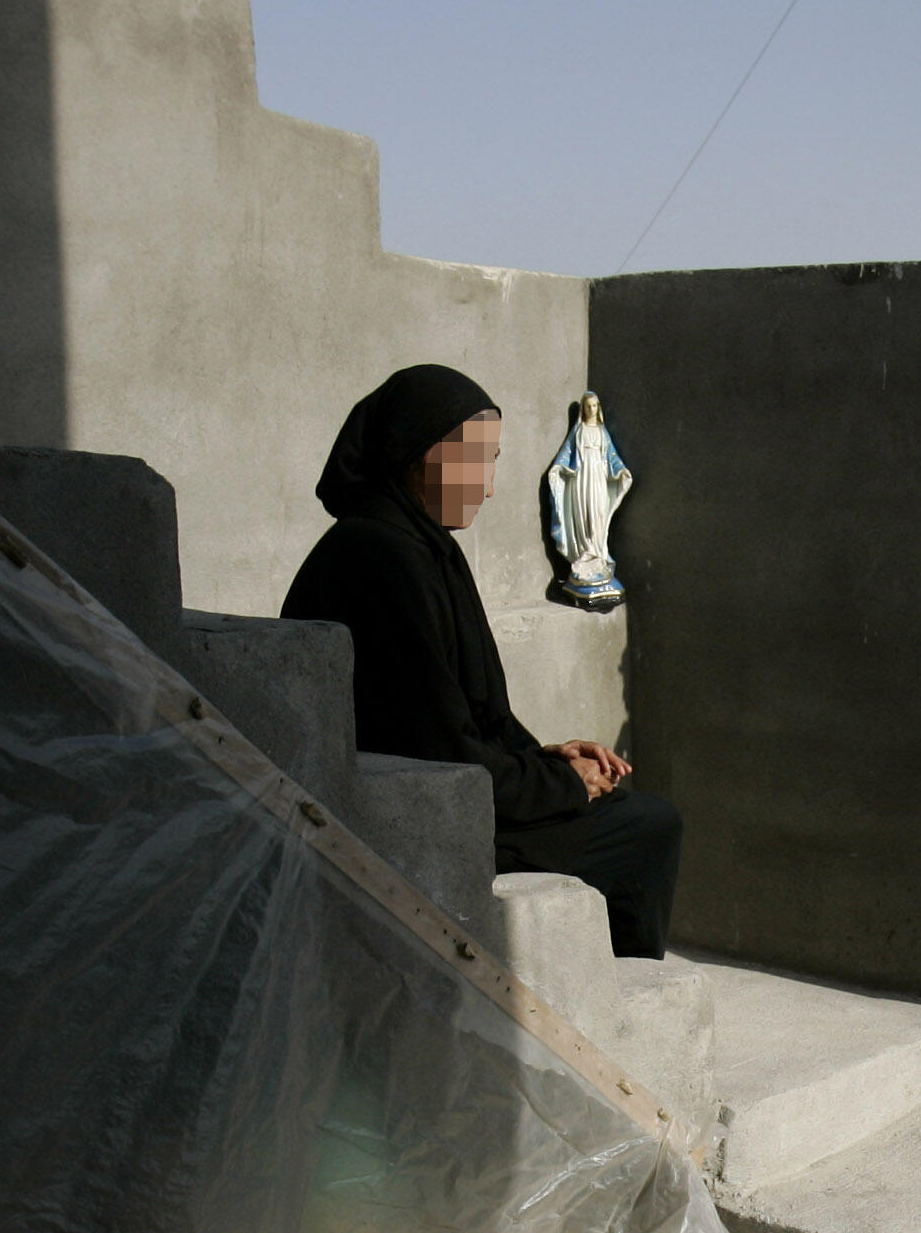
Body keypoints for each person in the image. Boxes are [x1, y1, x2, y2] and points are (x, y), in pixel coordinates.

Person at [282, 364, 684, 957]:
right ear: (418, 456)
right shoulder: (379, 559)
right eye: (476, 460)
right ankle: (615, 995)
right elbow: (435, 749)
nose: (489, 487)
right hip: (409, 820)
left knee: (627, 808)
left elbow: (473, 713)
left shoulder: (421, 545)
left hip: (447, 791)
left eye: (492, 461)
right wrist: (561, 785)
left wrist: (549, 758)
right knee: (644, 828)